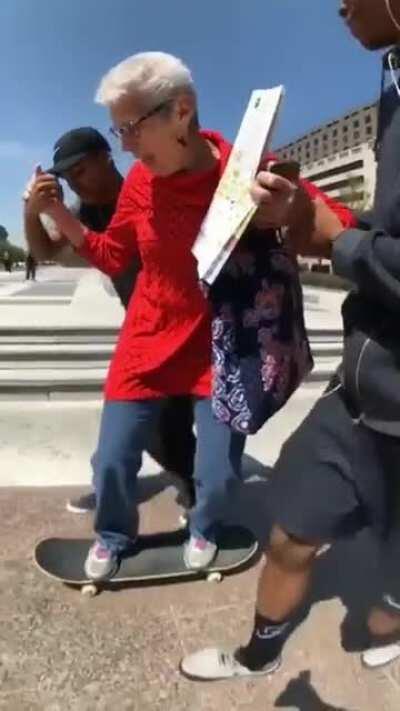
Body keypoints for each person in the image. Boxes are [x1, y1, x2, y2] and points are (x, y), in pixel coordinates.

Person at [37, 52, 353, 583]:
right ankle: (113, 535)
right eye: (118, 133)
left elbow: (334, 221)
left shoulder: (245, 168)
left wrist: (289, 209)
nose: (127, 147)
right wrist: (59, 215)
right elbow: (115, 255)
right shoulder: (141, 182)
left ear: (181, 111)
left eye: (132, 128)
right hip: (147, 337)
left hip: (219, 344)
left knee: (219, 475)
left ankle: (205, 528)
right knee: (112, 460)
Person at [180, 0, 400, 681]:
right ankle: (258, 653)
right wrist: (308, 218)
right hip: (363, 388)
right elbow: (379, 225)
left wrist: (343, 241)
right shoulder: (392, 86)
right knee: (290, 532)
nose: (339, 4)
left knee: (394, 577)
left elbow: (367, 243)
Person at [23, 126, 196, 515]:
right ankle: (117, 483)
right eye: (67, 178)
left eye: (81, 171)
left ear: (106, 156)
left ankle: (195, 485)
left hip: (184, 322)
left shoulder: (149, 188)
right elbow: (46, 251)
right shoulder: (89, 213)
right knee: (138, 417)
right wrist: (32, 211)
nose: (75, 184)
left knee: (164, 420)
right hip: (142, 325)